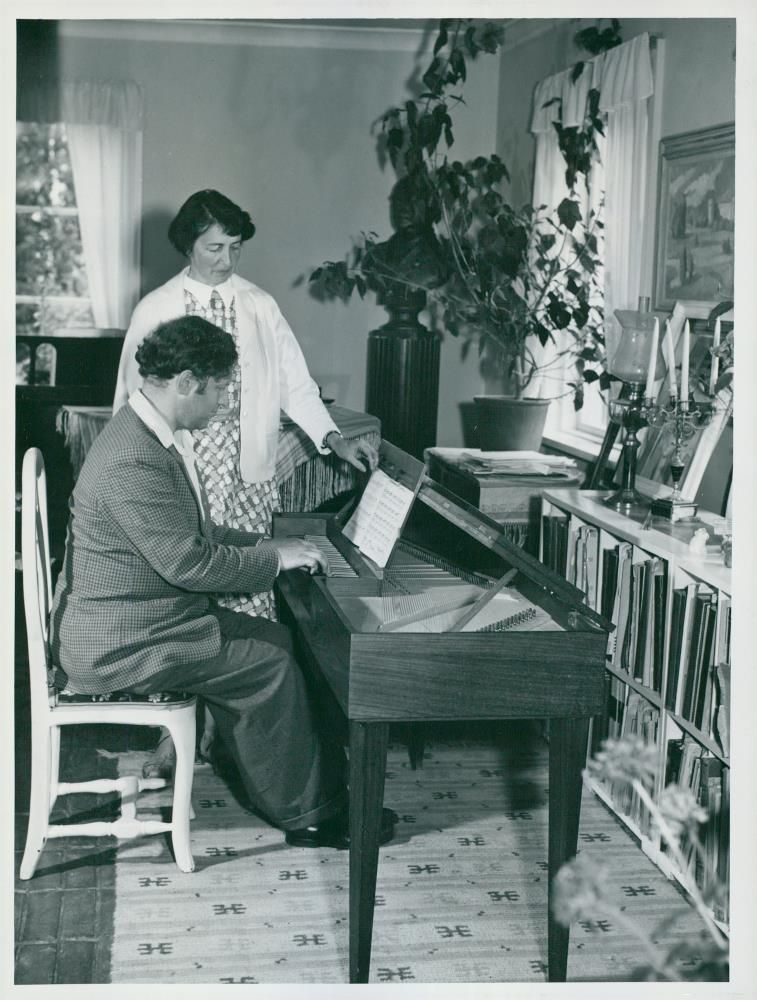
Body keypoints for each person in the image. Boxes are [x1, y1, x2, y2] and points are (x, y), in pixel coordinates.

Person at [50, 316, 395, 848]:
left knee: (281, 640)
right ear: (186, 381)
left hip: (140, 615)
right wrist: (277, 561)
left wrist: (267, 544)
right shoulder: (133, 457)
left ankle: (303, 786)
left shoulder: (145, 432)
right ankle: (308, 816)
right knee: (271, 664)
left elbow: (198, 531)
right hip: (123, 640)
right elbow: (190, 564)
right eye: (219, 390)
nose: (224, 404)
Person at [113, 189, 379, 774]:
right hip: (182, 470)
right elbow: (128, 401)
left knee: (252, 593)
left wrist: (334, 440)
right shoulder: (156, 308)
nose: (226, 260)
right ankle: (177, 734)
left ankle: (248, 737)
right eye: (214, 247)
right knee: (188, 596)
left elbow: (296, 385)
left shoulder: (259, 305)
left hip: (247, 475)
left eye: (234, 247)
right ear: (189, 244)